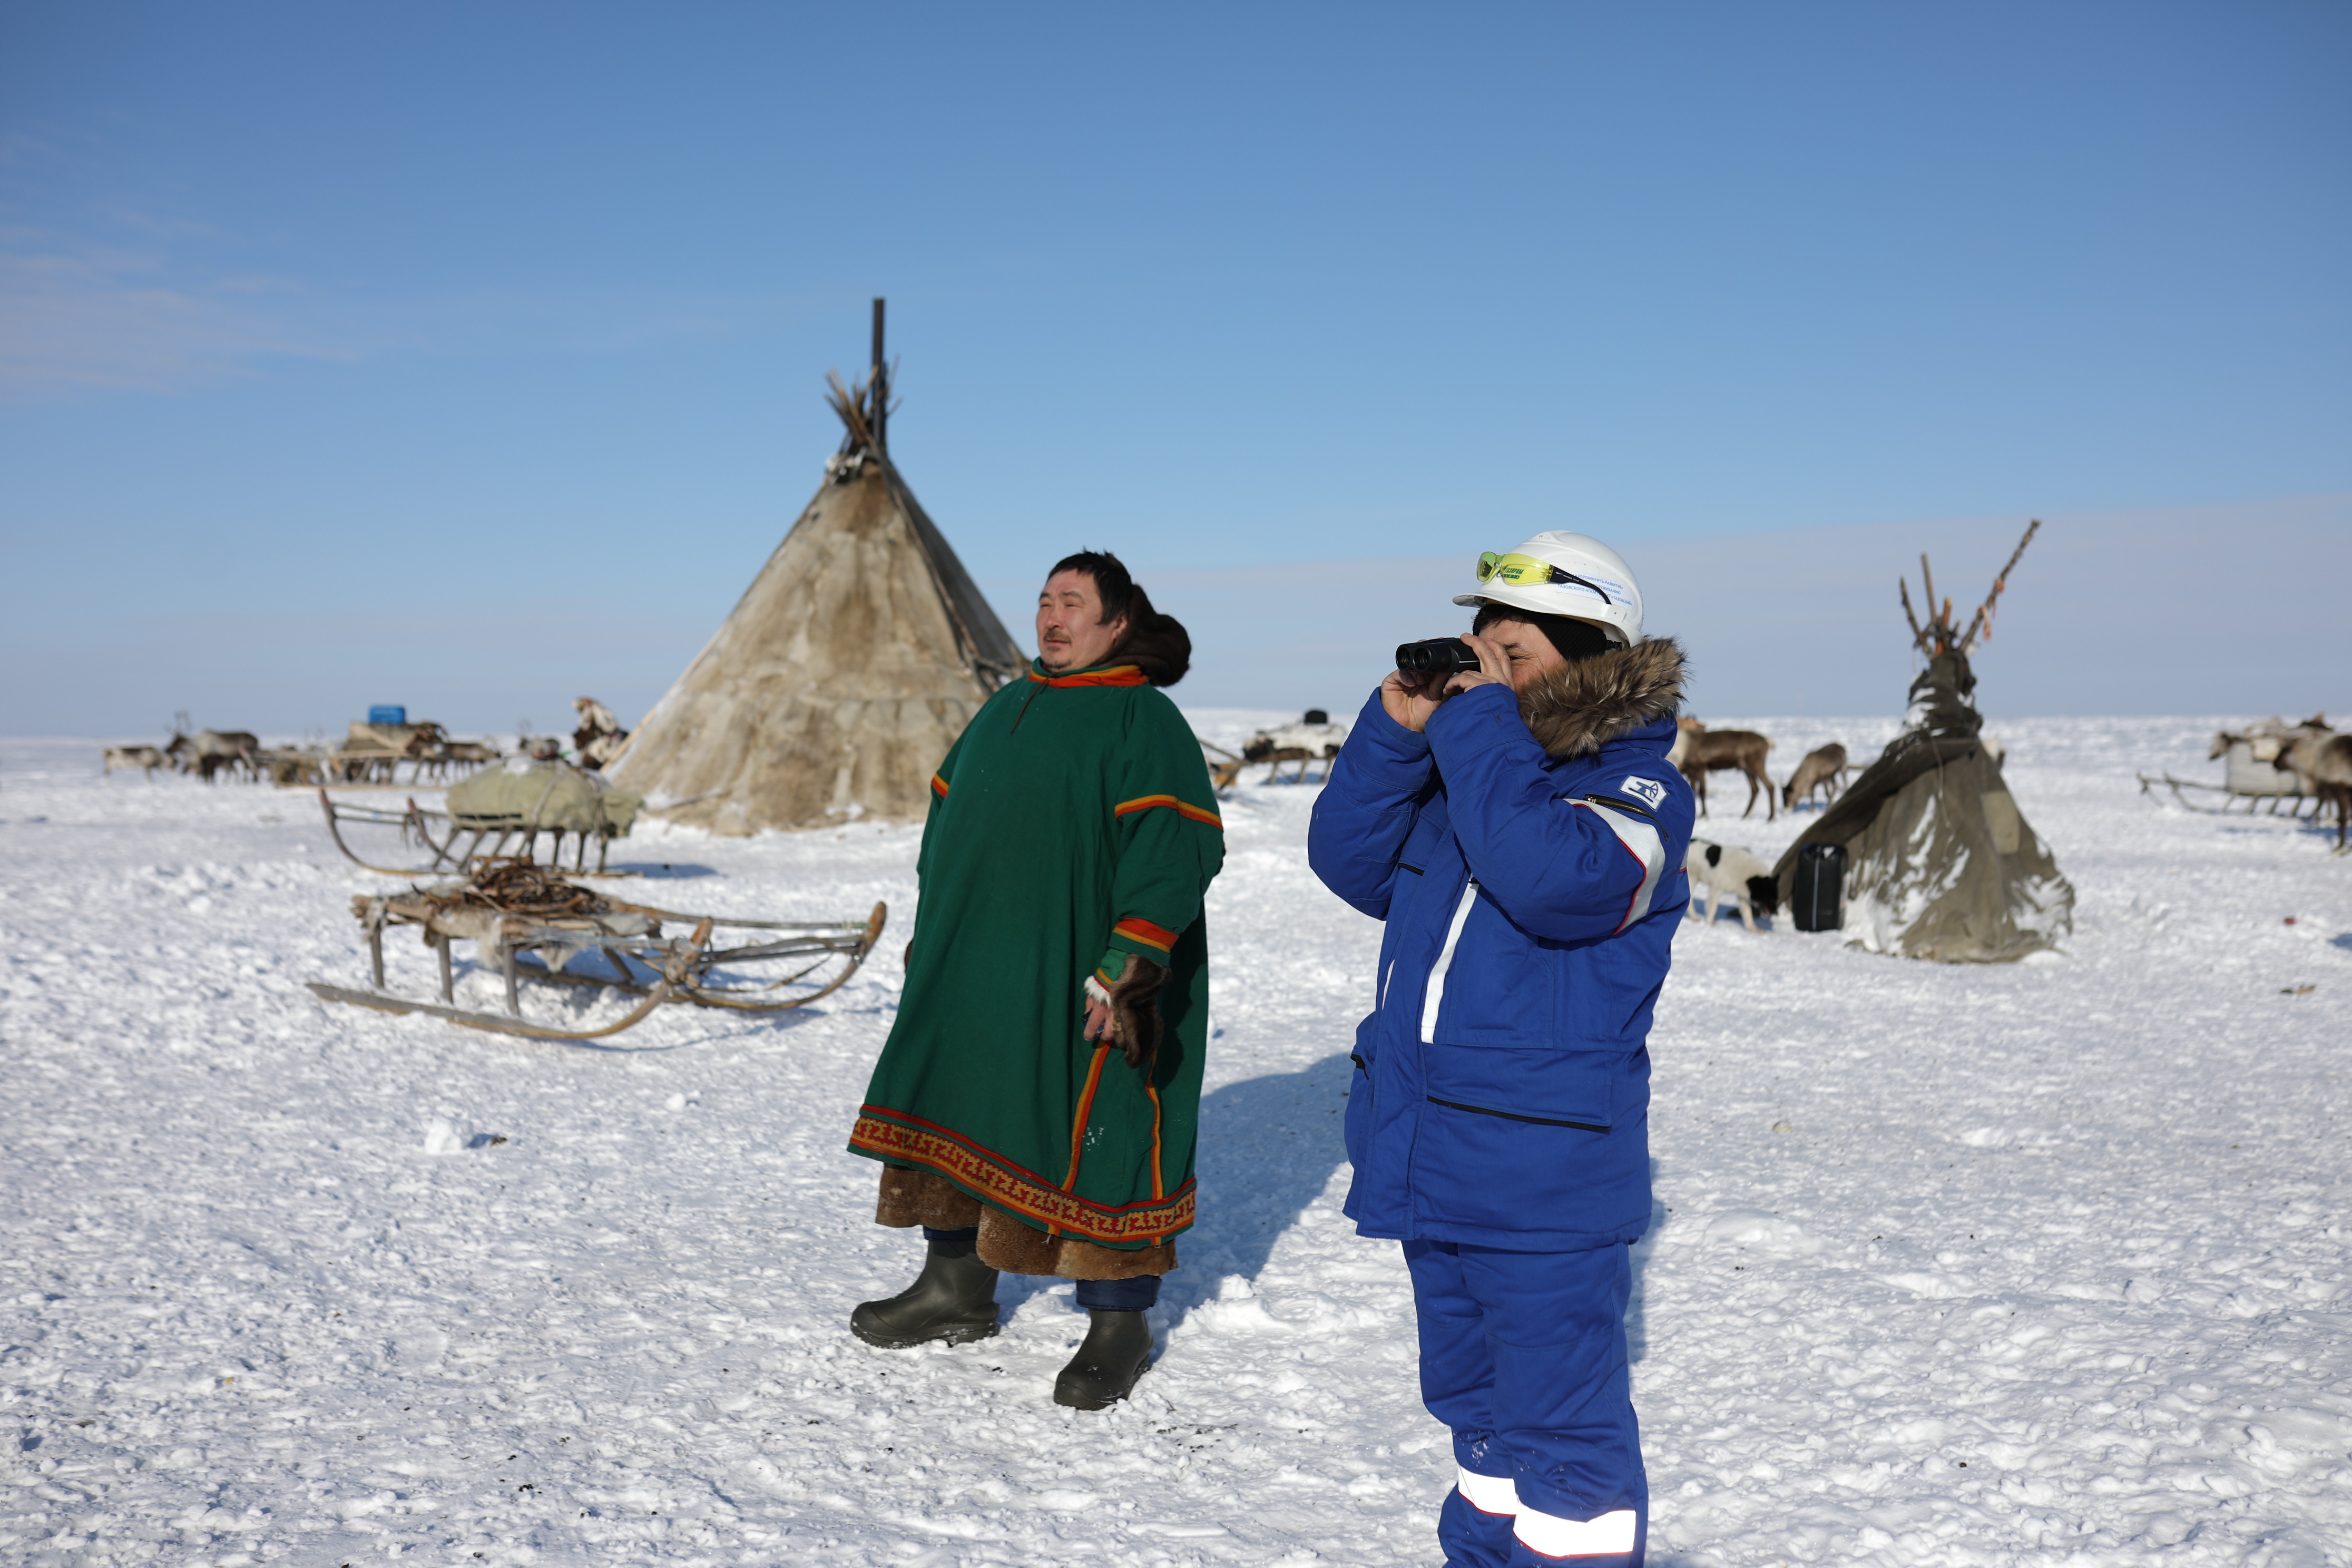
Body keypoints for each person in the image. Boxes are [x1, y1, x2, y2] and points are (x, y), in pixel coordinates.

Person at [1307, 532, 1692, 1567]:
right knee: (1479, 1429)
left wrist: (1475, 726)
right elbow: (1353, 864)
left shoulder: (1638, 793)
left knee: (1566, 1460)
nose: (1486, 674)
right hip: (1436, 1164)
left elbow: (1552, 883)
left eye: (1512, 656)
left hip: (1543, 1190)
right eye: (1477, 652)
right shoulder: (1478, 780)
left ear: (1594, 658)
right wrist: (1396, 732)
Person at [845, 550, 1223, 1409]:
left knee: (1107, 1126)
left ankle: (1118, 1321)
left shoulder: (1143, 721)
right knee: (958, 1102)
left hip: (1086, 976)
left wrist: (1127, 965)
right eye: (1046, 601)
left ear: (1118, 621)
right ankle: (956, 1288)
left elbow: (1174, 853)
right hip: (976, 963)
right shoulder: (1007, 705)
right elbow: (948, 825)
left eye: (1074, 604)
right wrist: (931, 936)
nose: (1053, 618)